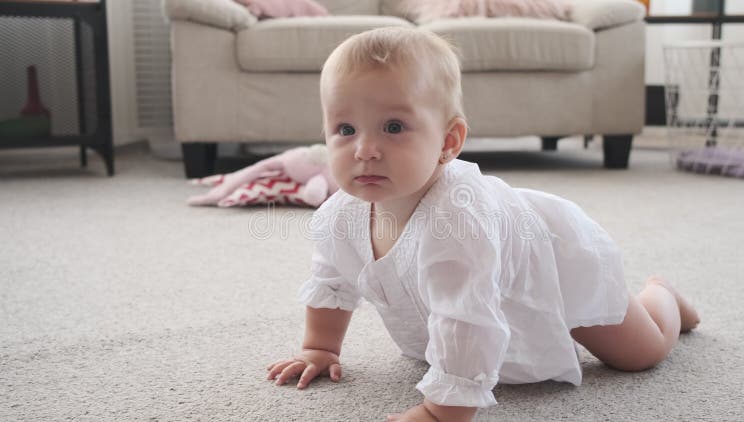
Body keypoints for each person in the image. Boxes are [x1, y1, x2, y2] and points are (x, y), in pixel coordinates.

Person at [266, 26, 700, 422]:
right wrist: (320, 348)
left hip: (553, 265)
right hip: (494, 281)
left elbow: (466, 318)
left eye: (393, 127)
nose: (365, 149)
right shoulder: (340, 216)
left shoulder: (458, 224)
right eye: (345, 128)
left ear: (448, 141)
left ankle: (660, 295)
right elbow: (332, 280)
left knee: (641, 353)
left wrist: (442, 412)